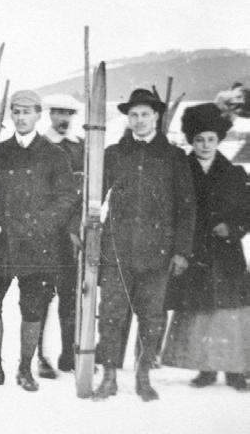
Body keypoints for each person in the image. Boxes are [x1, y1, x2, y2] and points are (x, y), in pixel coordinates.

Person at [0, 90, 78, 392]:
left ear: (39, 114)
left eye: (27, 112)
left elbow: (67, 199)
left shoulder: (54, 155)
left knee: (33, 307)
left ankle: (25, 369)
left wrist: (41, 224)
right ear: (11, 115)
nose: (21, 117)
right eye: (16, 111)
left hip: (39, 246)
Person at [93, 88, 196, 402]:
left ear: (156, 117)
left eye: (145, 115)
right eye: (134, 115)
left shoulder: (174, 157)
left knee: (151, 317)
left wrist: (181, 250)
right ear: (128, 118)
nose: (139, 120)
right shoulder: (114, 153)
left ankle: (142, 376)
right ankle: (109, 376)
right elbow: (94, 197)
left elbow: (187, 206)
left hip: (157, 252)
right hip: (117, 250)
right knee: (111, 314)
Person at [161, 103, 250, 390]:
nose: (205, 145)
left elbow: (247, 211)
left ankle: (235, 370)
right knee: (199, 309)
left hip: (226, 254)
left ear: (219, 140)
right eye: (199, 139)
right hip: (195, 251)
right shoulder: (181, 170)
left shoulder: (234, 172)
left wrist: (233, 228)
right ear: (191, 140)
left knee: (229, 313)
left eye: (211, 139)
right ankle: (205, 368)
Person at [37, 93, 84, 377]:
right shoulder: (41, 146)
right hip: (45, 234)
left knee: (71, 296)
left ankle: (69, 354)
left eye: (68, 113)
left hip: (72, 235)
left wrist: (76, 227)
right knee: (41, 296)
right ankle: (39, 355)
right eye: (58, 113)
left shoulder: (81, 147)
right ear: (50, 114)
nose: (63, 119)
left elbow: (86, 190)